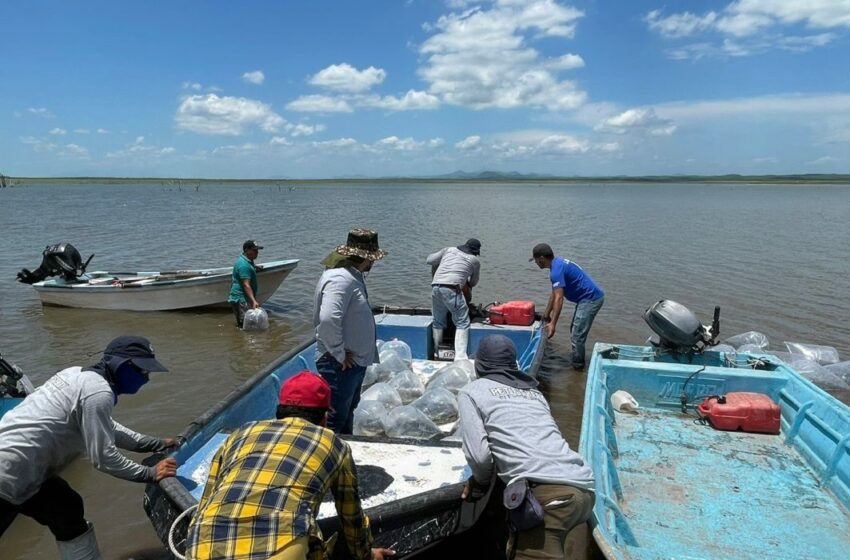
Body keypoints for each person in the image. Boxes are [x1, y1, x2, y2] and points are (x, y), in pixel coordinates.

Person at [0, 336, 178, 560]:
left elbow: (105, 426)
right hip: (7, 474)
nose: (147, 378)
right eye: (143, 372)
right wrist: (150, 474)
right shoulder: (99, 393)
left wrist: (152, 443)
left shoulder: (77, 375)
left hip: (24, 468)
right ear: (123, 366)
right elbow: (104, 458)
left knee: (67, 508)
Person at [185, 371, 395, 560]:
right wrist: (366, 555)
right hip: (280, 543)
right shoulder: (333, 443)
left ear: (279, 411)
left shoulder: (241, 433)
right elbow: (350, 514)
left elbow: (208, 498)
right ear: (324, 417)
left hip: (203, 542)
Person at [458, 335, 594, 560]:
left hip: (550, 499)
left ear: (478, 364)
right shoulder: (534, 393)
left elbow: (480, 457)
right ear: (514, 364)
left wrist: (480, 484)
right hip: (584, 491)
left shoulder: (472, 392)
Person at [314, 229, 386, 434]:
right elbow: (327, 319)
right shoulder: (340, 279)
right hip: (339, 364)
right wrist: (339, 353)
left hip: (352, 363)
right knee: (335, 419)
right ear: (366, 257)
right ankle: (331, 461)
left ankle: (345, 455)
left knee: (347, 412)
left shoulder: (352, 276)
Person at [530, 243, 604, 370]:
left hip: (590, 299)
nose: (536, 263)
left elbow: (559, 299)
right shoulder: (557, 264)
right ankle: (577, 362)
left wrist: (553, 323)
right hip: (585, 299)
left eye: (536, 260)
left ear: (541, 258)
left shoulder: (556, 271)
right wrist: (546, 315)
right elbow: (554, 295)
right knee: (575, 330)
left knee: (577, 334)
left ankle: (578, 367)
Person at [425, 238, 481, 360]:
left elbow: (429, 260)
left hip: (436, 286)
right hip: (452, 289)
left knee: (438, 321)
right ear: (475, 252)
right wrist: (466, 284)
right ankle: (460, 357)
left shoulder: (448, 250)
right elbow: (474, 282)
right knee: (462, 322)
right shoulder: (474, 260)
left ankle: (436, 352)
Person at [228, 239, 264, 328]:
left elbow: (247, 268)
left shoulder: (247, 260)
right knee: (244, 325)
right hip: (241, 299)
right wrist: (254, 301)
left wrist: (254, 268)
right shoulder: (244, 265)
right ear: (246, 250)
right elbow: (246, 285)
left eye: (257, 250)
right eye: (254, 250)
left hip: (243, 297)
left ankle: (240, 340)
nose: (257, 253)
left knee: (247, 324)